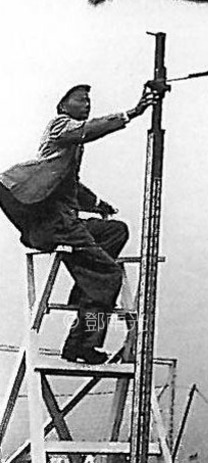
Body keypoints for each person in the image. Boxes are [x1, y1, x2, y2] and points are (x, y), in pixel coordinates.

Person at [0, 83, 157, 364]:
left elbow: (70, 185)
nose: (87, 105)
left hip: (65, 222)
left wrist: (97, 204)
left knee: (115, 231)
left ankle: (89, 284)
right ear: (63, 106)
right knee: (109, 275)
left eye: (88, 101)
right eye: (81, 100)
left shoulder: (67, 152)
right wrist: (132, 113)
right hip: (53, 225)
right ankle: (83, 343)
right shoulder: (60, 126)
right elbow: (89, 129)